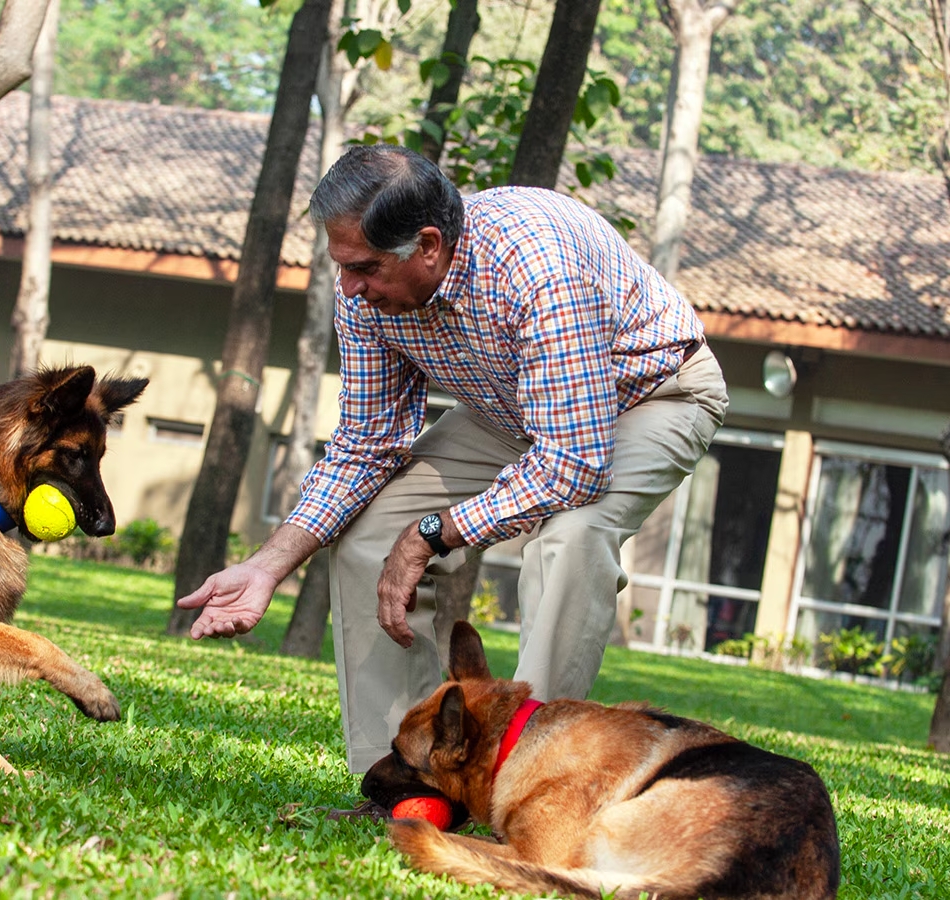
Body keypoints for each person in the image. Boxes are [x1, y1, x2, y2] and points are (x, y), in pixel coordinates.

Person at [177, 144, 728, 777]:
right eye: (342, 267)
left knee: (572, 537)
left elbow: (573, 464)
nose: (350, 288)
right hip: (512, 409)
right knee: (365, 536)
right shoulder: (366, 296)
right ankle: (403, 777)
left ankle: (524, 779)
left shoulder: (537, 267)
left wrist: (432, 533)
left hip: (649, 395)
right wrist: (268, 566)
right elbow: (367, 441)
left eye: (364, 267)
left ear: (430, 245)